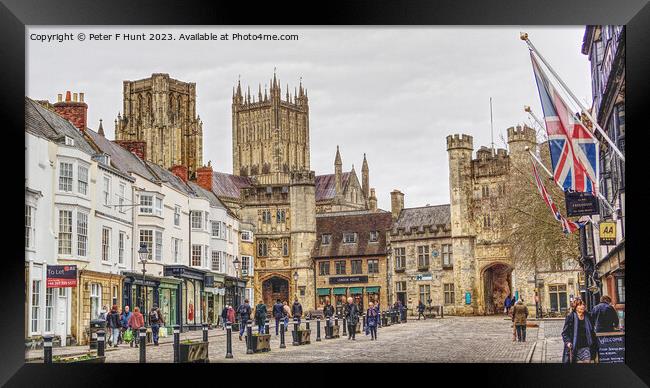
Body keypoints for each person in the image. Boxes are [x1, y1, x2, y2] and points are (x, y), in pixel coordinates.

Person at [562, 298, 599, 363]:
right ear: (575, 307)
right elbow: (564, 333)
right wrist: (568, 342)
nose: (582, 306)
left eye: (583, 304)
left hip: (586, 346)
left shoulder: (588, 316)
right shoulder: (570, 317)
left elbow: (592, 330)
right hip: (575, 347)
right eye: (580, 305)